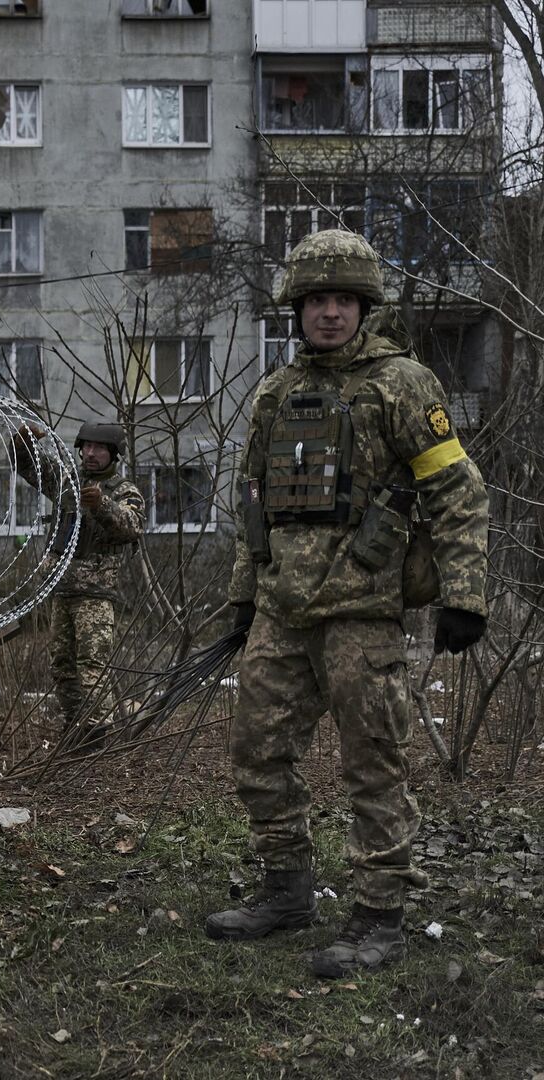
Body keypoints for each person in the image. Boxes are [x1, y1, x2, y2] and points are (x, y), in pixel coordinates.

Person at [205, 230, 489, 979]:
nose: (329, 313)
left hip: (363, 612)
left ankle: (378, 918)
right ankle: (286, 894)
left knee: (374, 766)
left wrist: (465, 595)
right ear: (297, 309)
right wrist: (243, 598)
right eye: (316, 301)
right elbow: (253, 505)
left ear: (365, 307)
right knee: (257, 755)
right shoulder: (274, 391)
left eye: (343, 301)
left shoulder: (403, 384)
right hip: (282, 610)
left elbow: (457, 493)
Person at [10, 421, 145, 738]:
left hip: (96, 595)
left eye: (99, 449)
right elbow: (30, 466)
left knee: (92, 666)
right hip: (62, 589)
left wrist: (101, 504)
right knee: (62, 667)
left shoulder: (123, 490)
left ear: (113, 454)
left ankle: (99, 732)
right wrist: (23, 441)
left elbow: (132, 526)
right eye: (86, 447)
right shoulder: (68, 483)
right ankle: (76, 728)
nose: (90, 453)